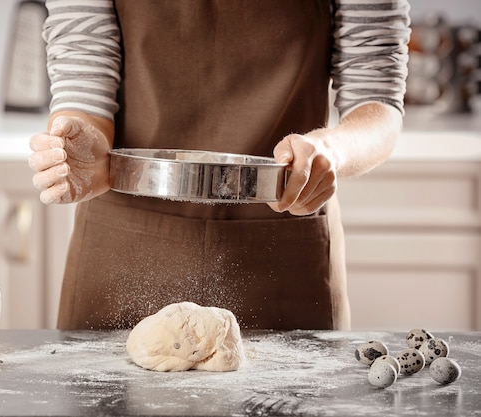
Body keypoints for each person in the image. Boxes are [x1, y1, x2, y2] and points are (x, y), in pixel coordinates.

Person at [28, 0, 411, 331]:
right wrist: (82, 141)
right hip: (123, 246)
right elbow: (83, 61)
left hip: (283, 250)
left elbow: (376, 96)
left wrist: (331, 149)